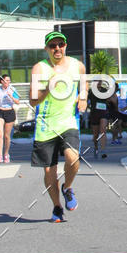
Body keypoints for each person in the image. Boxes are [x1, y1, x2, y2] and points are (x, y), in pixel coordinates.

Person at [30, 31, 86, 222]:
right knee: (49, 171)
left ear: (65, 46)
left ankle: (67, 187)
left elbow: (84, 87)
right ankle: (56, 207)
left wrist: (83, 99)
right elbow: (32, 100)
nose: (57, 49)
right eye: (52, 46)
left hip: (68, 122)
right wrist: (47, 89)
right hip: (45, 126)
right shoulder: (39, 68)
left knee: (73, 158)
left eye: (60, 45)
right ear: (46, 49)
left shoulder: (78, 66)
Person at [0, 74, 21, 163]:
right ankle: (0, 155)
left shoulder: (12, 89)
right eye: (6, 80)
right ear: (2, 81)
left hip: (9, 112)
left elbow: (17, 102)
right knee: (0, 134)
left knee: (6, 136)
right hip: (0, 112)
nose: (8, 82)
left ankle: (6, 153)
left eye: (9, 81)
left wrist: (11, 96)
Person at [87, 79, 110, 159]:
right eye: (97, 81)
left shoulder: (105, 90)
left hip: (104, 113)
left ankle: (103, 150)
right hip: (94, 113)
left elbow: (110, 99)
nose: (99, 83)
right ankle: (96, 147)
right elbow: (87, 101)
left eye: (100, 81)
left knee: (103, 131)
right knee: (96, 135)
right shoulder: (91, 91)